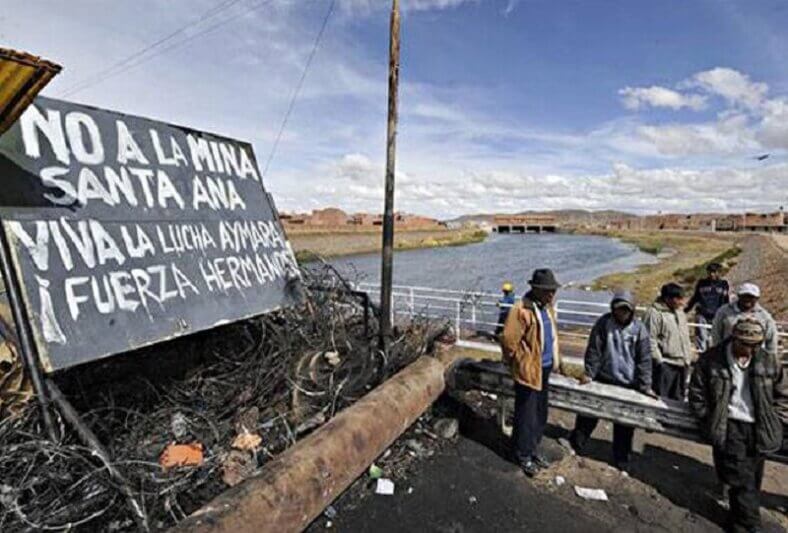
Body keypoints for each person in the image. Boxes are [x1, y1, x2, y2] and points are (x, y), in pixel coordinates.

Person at [689, 319, 788, 533]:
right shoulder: (712, 359)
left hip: (759, 428)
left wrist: (777, 419)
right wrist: (709, 418)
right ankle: (753, 526)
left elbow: (783, 394)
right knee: (740, 477)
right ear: (734, 339)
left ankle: (736, 523)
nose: (751, 350)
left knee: (750, 478)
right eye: (746, 344)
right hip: (729, 424)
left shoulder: (768, 361)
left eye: (756, 345)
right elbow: (696, 393)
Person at [569, 290, 653, 471]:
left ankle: (621, 457)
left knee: (624, 423)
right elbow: (594, 350)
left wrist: (645, 385)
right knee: (588, 413)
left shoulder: (639, 329)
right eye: (618, 309)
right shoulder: (604, 323)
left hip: (627, 382)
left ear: (632, 310)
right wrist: (589, 373)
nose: (621, 313)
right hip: (604, 377)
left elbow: (644, 359)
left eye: (625, 310)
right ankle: (576, 443)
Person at [501, 268, 562, 477]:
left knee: (540, 413)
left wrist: (556, 361)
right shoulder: (521, 310)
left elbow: (551, 336)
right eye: (547, 290)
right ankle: (522, 454)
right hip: (528, 370)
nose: (551, 294)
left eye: (553, 290)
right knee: (526, 414)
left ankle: (533, 448)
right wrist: (517, 361)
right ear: (535, 289)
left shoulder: (547, 308)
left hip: (544, 369)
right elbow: (509, 341)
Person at [644, 283, 694, 401]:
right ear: (668, 299)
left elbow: (684, 336)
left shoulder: (680, 312)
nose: (682, 302)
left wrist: (689, 356)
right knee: (662, 399)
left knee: (679, 400)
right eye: (679, 299)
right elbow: (649, 340)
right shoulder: (654, 314)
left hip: (682, 365)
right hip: (666, 365)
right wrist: (659, 361)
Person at [711, 283, 778, 360]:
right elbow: (716, 333)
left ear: (757, 298)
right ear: (739, 296)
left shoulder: (765, 317)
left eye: (751, 297)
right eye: (745, 296)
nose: (747, 299)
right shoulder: (724, 312)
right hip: (728, 357)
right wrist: (718, 354)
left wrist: (770, 359)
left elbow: (771, 339)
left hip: (756, 359)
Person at [685, 263, 729, 352]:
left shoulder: (723, 284)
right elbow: (695, 298)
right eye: (709, 272)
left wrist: (727, 314)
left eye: (714, 272)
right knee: (702, 339)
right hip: (702, 315)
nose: (711, 274)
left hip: (717, 315)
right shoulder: (701, 283)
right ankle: (701, 359)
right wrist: (686, 310)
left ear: (718, 272)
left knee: (717, 340)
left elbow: (726, 300)